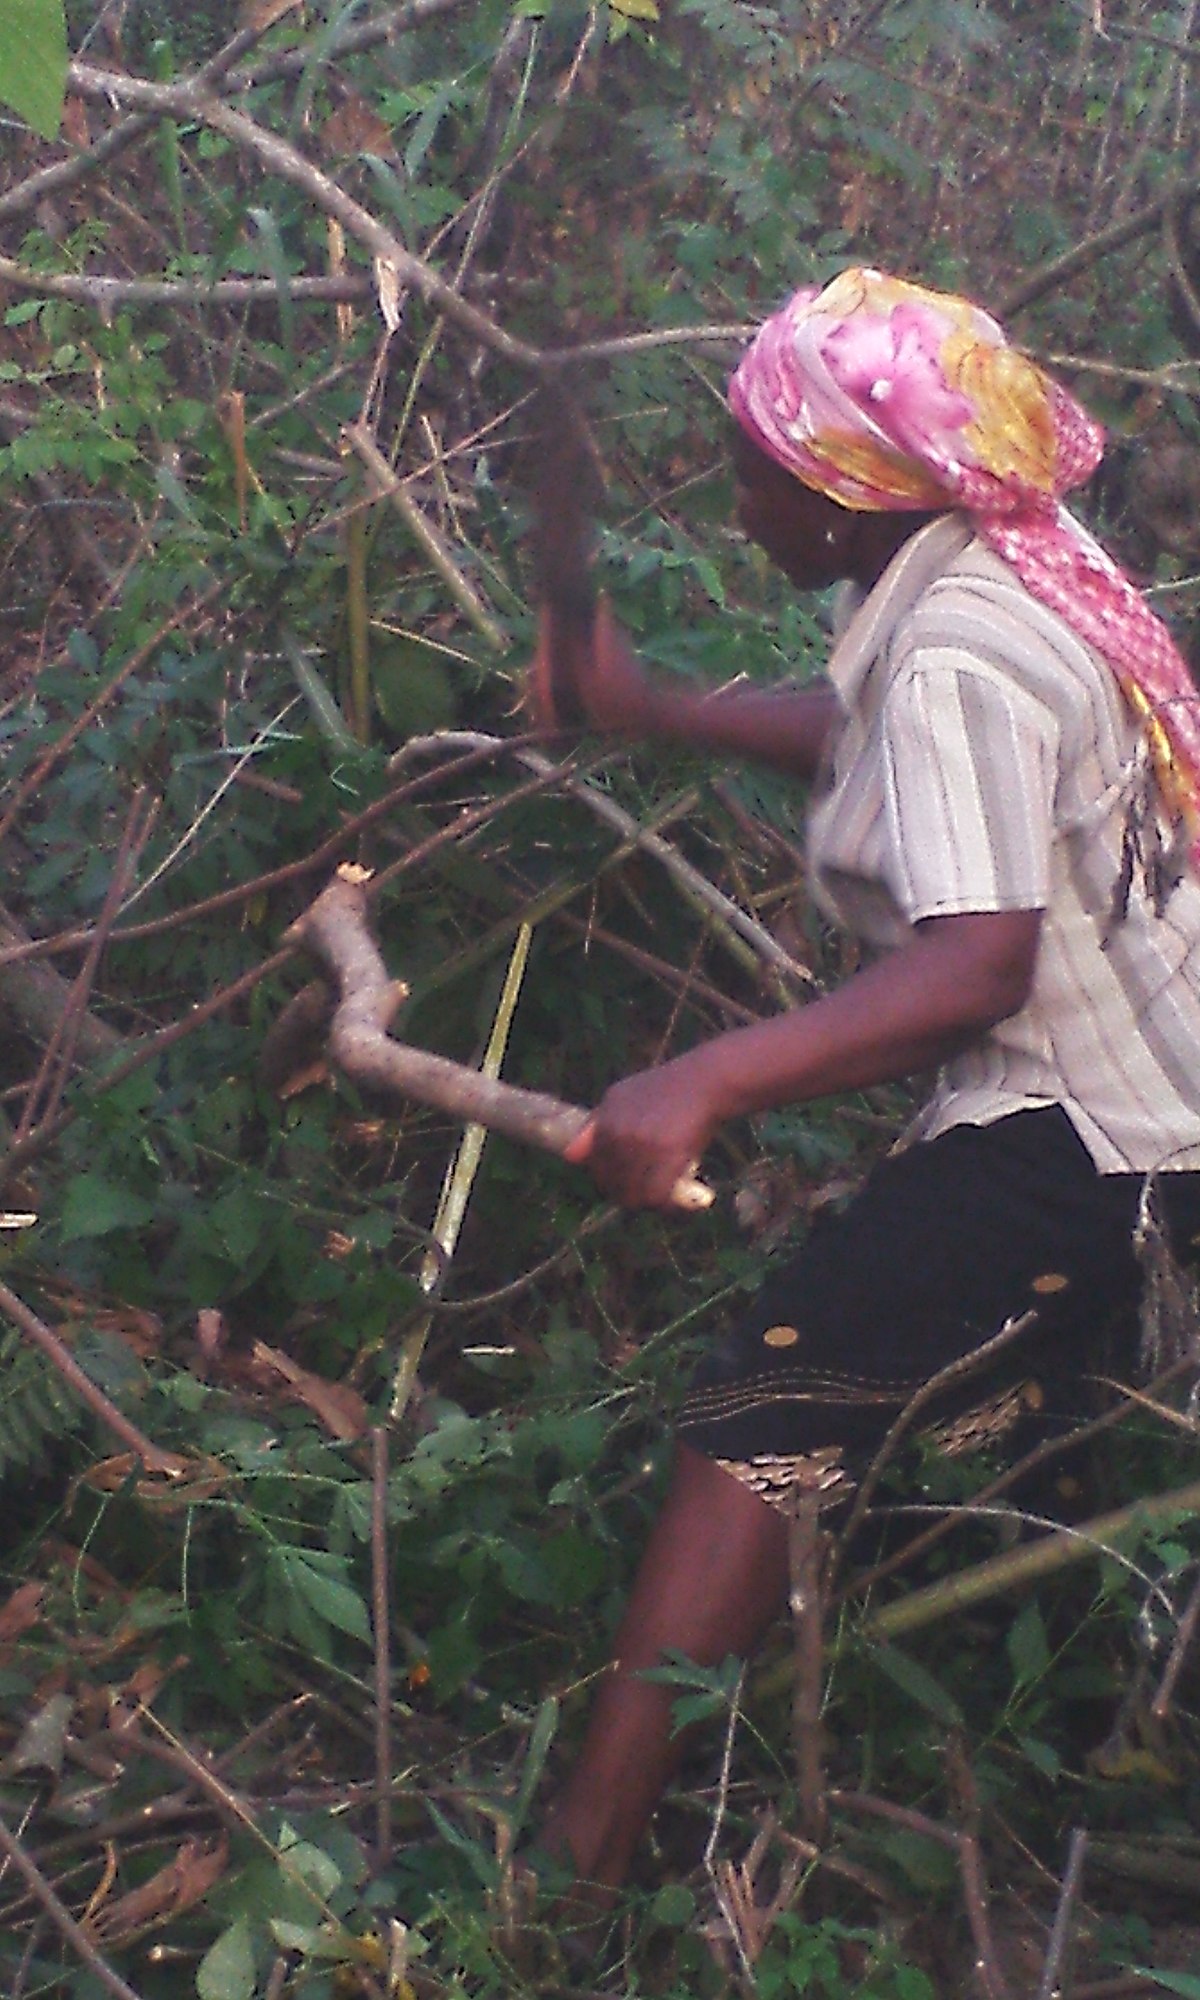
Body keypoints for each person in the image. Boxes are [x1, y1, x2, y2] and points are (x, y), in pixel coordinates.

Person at [526, 268, 1200, 1899]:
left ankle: (569, 1877)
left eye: (757, 470)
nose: (736, 496)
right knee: (914, 1397)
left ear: (842, 503)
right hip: (1168, 1072)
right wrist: (651, 708)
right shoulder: (997, 552)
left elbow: (974, 967)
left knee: (765, 1417)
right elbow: (888, 741)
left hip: (1108, 1142)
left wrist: (701, 1078)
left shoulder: (963, 640)